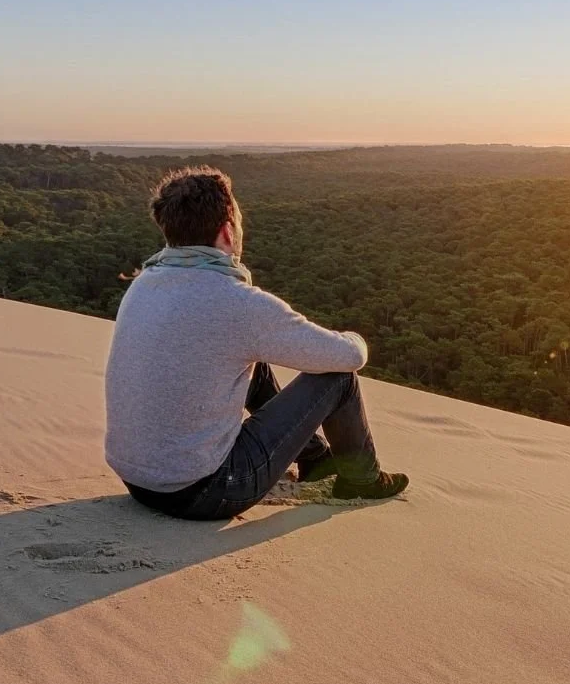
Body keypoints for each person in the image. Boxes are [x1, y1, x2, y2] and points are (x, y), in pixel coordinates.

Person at [104, 166, 407, 519]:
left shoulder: (144, 282)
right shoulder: (238, 302)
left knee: (249, 363)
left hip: (138, 482)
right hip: (205, 492)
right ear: (228, 232)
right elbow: (349, 356)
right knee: (338, 378)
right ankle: (362, 480)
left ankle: (315, 460)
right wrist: (355, 336)